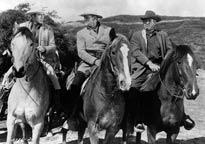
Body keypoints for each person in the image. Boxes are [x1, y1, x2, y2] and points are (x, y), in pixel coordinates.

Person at [129, 10, 195, 132]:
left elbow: (170, 49)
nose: (146, 23)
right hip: (143, 69)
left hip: (161, 67)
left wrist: (165, 62)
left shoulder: (163, 35)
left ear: (155, 22)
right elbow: (136, 52)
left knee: (177, 85)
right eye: (145, 21)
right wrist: (149, 63)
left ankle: (182, 116)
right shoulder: (137, 35)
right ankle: (138, 119)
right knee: (135, 87)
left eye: (149, 21)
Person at [62, 13, 116, 130]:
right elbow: (81, 52)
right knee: (75, 85)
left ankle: (125, 118)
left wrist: (104, 60)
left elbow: (113, 47)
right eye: (84, 18)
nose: (85, 20)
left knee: (121, 83)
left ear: (95, 19)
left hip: (105, 62)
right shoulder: (81, 33)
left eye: (88, 18)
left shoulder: (109, 30)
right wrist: (94, 61)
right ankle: (71, 116)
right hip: (87, 63)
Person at [1, 5, 62, 109]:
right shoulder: (22, 27)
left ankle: (58, 98)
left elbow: (53, 46)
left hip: (42, 59)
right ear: (33, 16)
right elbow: (14, 40)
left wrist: (45, 48)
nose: (42, 17)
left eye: (42, 15)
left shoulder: (48, 29)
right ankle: (4, 97)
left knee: (51, 73)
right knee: (7, 75)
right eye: (39, 15)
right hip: (25, 59)